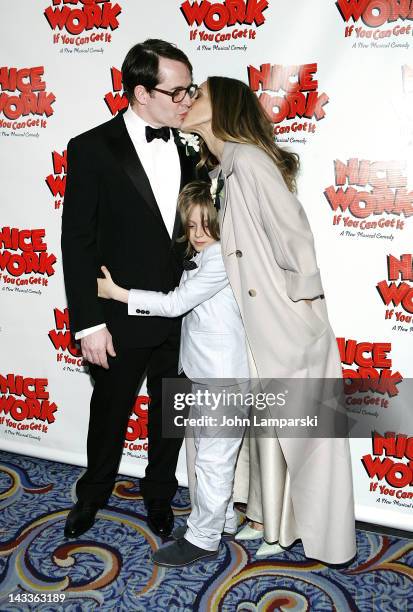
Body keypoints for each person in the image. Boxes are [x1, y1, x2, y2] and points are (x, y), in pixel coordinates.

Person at [179, 77, 356, 564]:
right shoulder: (224, 167)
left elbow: (294, 234)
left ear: (223, 108)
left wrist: (302, 311)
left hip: (282, 322)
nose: (189, 101)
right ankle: (268, 520)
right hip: (252, 324)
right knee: (267, 427)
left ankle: (295, 530)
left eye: (199, 95)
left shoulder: (250, 162)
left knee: (294, 427)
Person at [61, 39, 202, 540]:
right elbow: (77, 242)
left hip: (186, 312)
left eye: (191, 89)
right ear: (142, 92)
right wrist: (88, 323)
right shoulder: (92, 148)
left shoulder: (192, 146)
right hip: (117, 318)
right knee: (110, 414)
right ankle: (92, 495)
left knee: (171, 414)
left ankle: (159, 496)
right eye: (178, 91)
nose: (188, 100)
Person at [97, 180, 250, 567]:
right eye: (191, 227)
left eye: (206, 226)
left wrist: (118, 293)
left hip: (222, 379)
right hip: (205, 372)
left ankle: (202, 539)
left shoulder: (220, 260)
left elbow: (177, 303)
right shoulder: (206, 256)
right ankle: (223, 520)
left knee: (212, 461)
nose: (197, 236)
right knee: (212, 457)